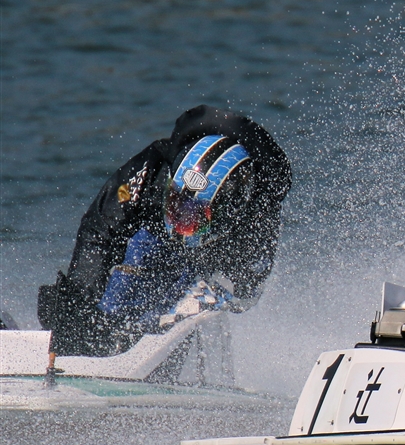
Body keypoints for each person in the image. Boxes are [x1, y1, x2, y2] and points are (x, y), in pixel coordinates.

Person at [37, 105, 291, 357]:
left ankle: (161, 352)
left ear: (227, 215)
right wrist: (80, 298)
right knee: (124, 267)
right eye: (176, 205)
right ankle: (100, 334)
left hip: (208, 261)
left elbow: (247, 293)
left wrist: (213, 295)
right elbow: (98, 229)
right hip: (150, 235)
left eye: (193, 217)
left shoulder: (256, 222)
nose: (179, 225)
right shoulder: (151, 171)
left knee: (194, 300)